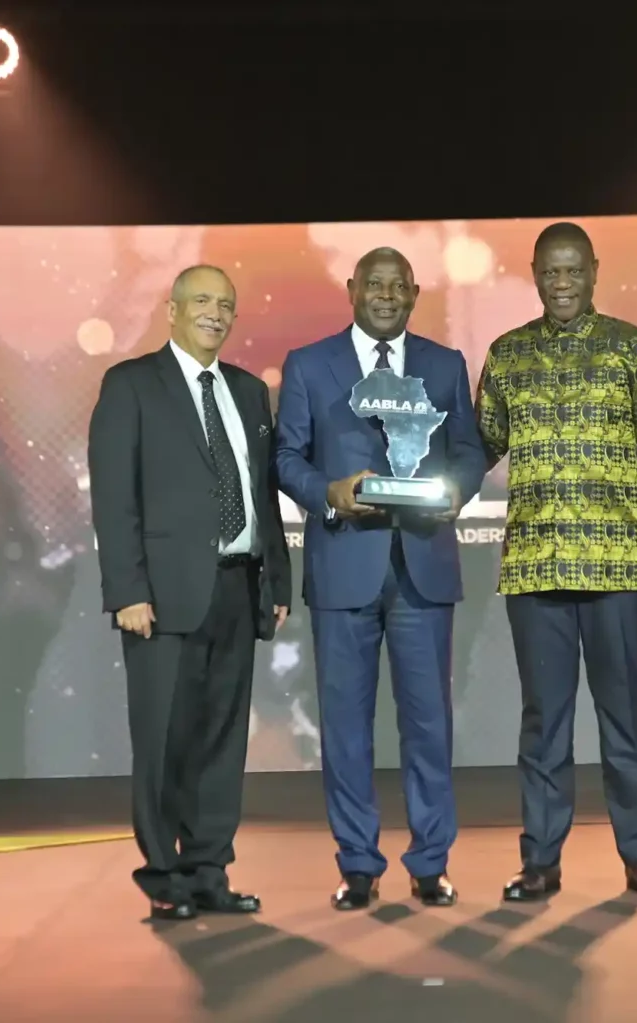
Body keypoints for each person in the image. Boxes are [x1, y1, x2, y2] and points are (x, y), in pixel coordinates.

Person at [476, 222, 637, 902]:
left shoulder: (633, 349)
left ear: (594, 270)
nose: (560, 283)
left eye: (572, 270)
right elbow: (478, 446)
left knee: (626, 719)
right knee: (543, 723)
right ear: (534, 274)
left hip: (618, 568)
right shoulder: (508, 355)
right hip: (535, 570)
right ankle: (540, 861)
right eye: (548, 272)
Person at [275, 247, 486, 911]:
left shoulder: (445, 365)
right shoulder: (310, 365)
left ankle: (431, 863)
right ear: (352, 288)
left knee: (429, 726)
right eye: (375, 284)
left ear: (416, 293)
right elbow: (285, 455)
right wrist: (329, 493)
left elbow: (469, 452)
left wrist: (461, 491)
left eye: (399, 286)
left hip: (423, 566)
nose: (387, 295)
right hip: (343, 566)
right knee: (345, 727)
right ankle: (357, 864)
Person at [88, 264, 291, 921]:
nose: (216, 312)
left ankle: (210, 871)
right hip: (161, 597)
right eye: (202, 300)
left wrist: (277, 581)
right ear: (171, 310)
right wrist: (126, 589)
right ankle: (164, 874)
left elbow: (263, 494)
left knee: (222, 741)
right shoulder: (130, 385)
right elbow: (114, 499)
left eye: (226, 304)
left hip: (237, 588)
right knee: (164, 740)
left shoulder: (247, 391)